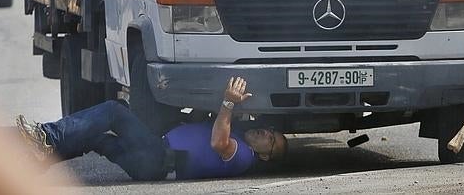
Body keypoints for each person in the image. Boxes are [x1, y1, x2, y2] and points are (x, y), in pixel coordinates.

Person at [16, 77, 287, 181]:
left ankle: (45, 137)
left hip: (158, 157)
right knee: (96, 140)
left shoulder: (243, 156)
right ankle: (36, 161)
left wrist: (228, 102)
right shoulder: (240, 136)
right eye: (270, 131)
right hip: (153, 164)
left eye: (271, 142)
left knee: (113, 111)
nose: (266, 135)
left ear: (264, 156)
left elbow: (218, 142)